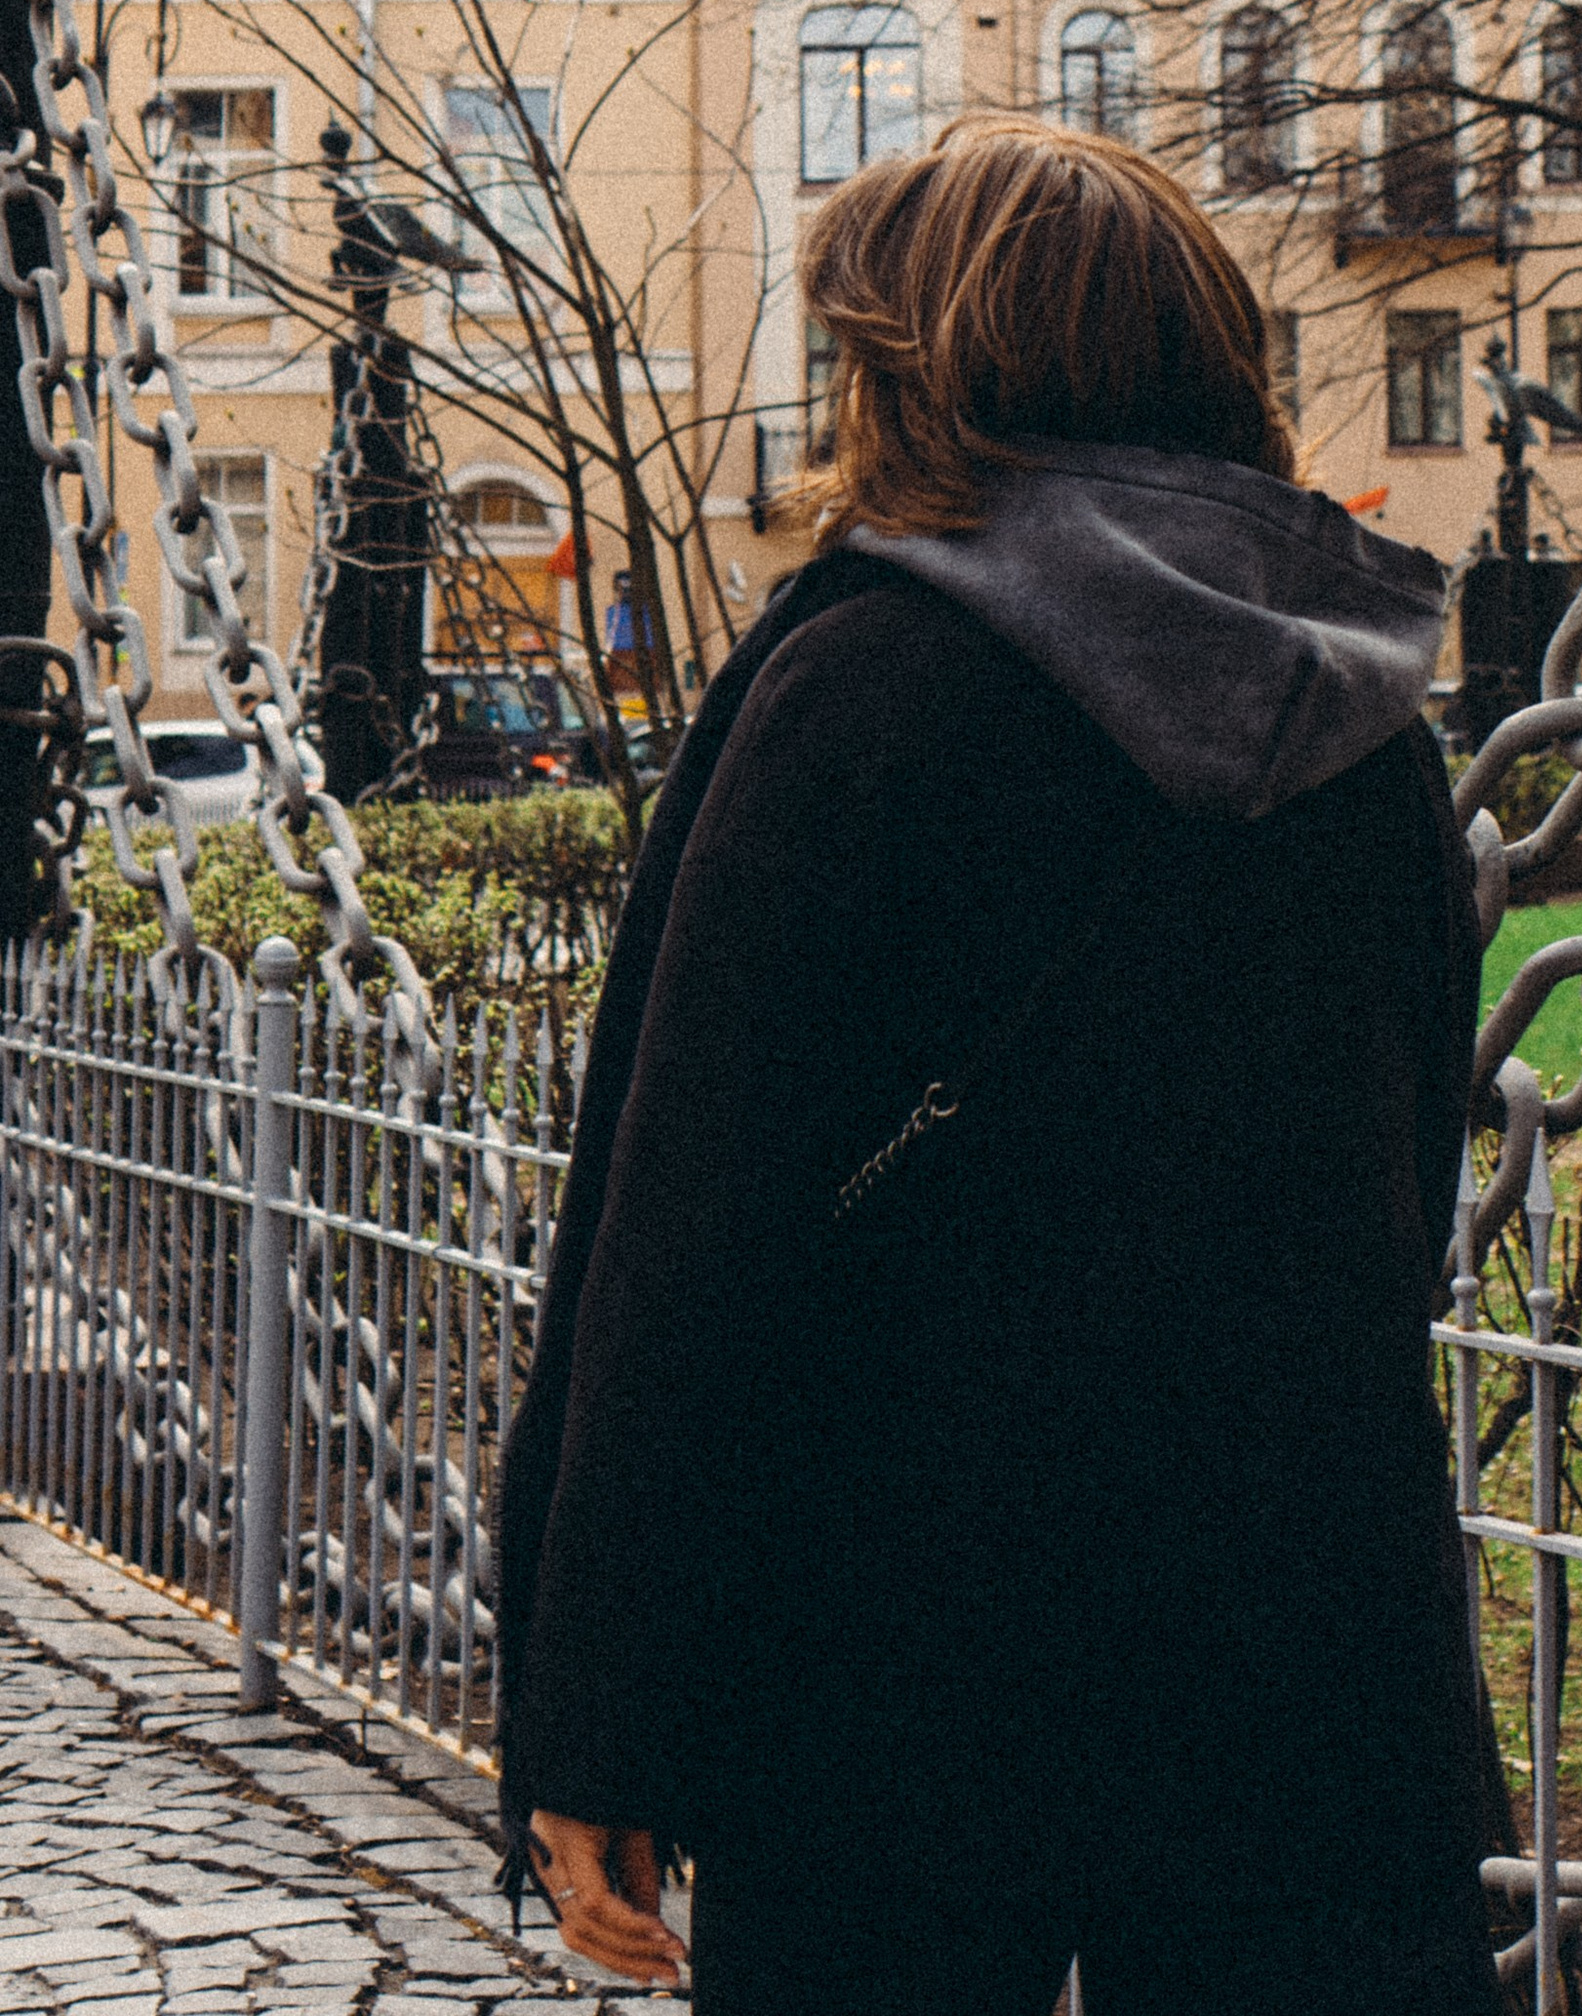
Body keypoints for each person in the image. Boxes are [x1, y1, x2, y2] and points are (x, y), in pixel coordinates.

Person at [497, 115, 1499, 2014]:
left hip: (894, 1649)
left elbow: (688, 1225)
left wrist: (601, 1712)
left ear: (920, 370)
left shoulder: (861, 685)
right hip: (1301, 1629)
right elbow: (1400, 1195)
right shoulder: (1362, 724)